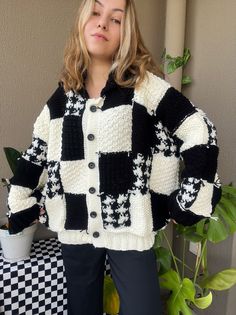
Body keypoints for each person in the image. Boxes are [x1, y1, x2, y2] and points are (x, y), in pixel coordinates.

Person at [6, 0, 222, 314]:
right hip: (75, 228)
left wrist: (189, 197)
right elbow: (36, 151)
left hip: (131, 228)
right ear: (81, 21)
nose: (103, 23)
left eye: (116, 19)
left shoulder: (144, 87)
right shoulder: (62, 97)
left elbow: (197, 128)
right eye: (95, 12)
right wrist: (21, 202)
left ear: (127, 33)